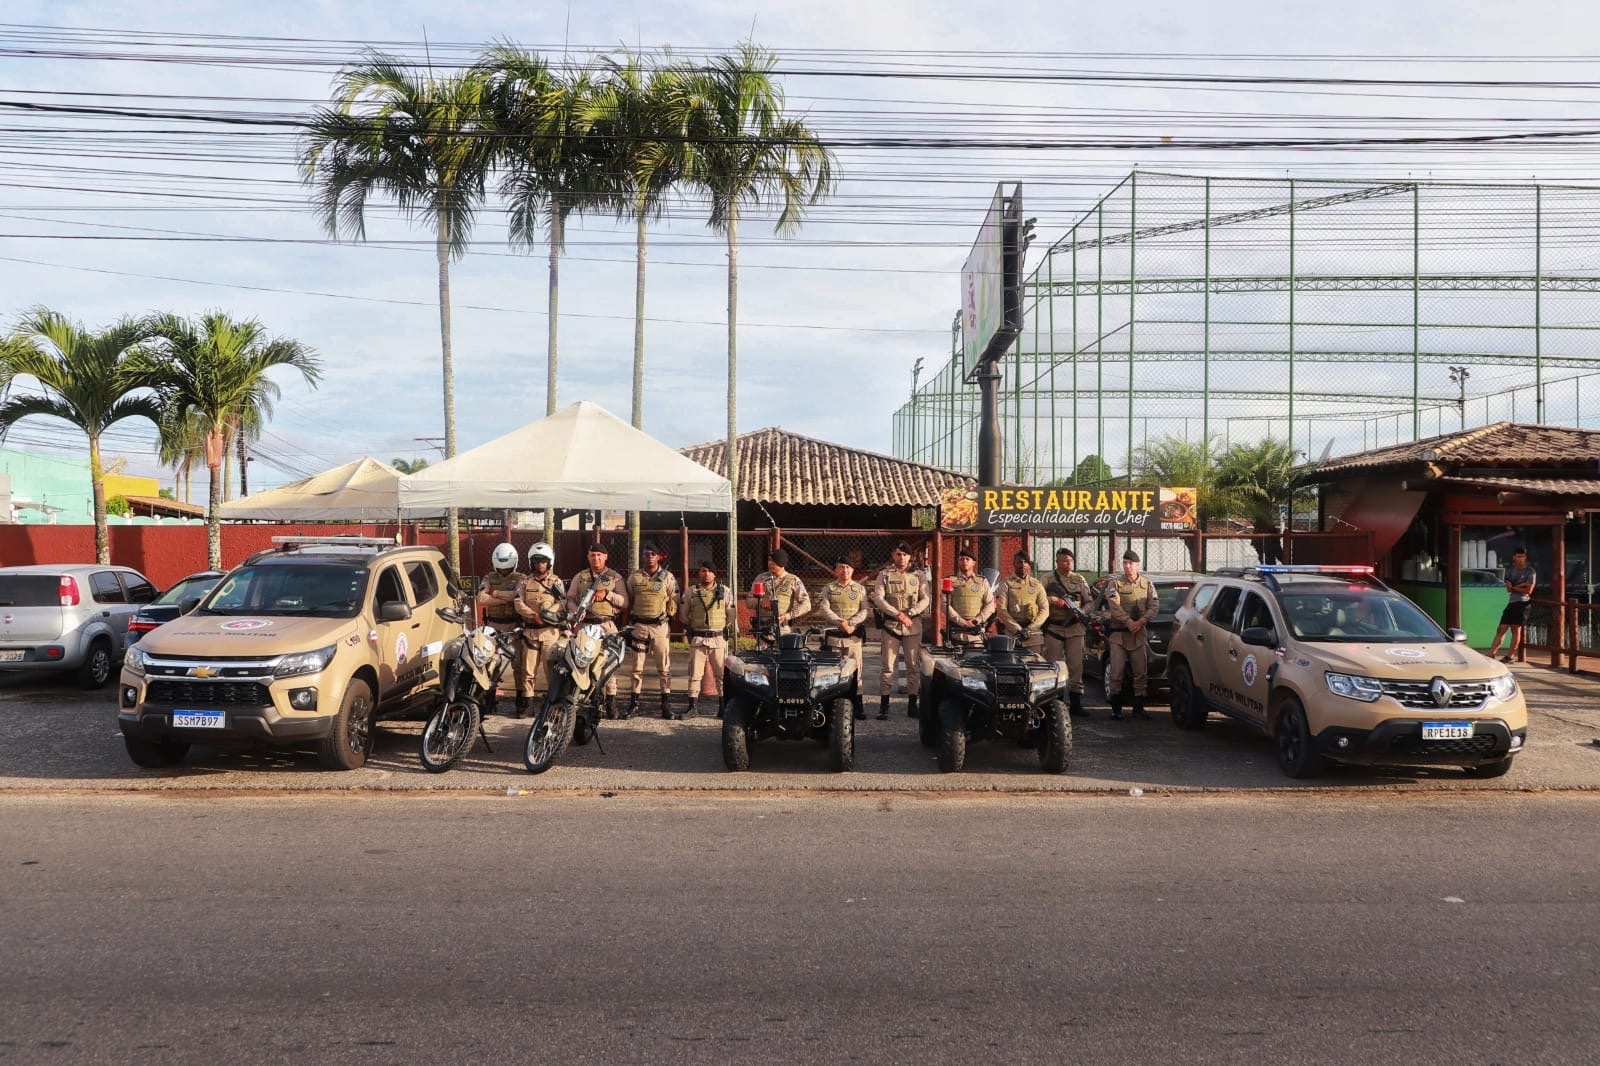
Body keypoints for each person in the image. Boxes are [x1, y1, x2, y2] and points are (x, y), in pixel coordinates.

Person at [566, 542, 629, 717]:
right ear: (588, 557)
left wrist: (607, 594)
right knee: (583, 663)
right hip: (585, 626)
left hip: (606, 625)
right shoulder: (580, 577)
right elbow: (569, 599)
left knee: (609, 665)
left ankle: (611, 703)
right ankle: (589, 701)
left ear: (605, 557)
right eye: (593, 555)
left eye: (599, 555)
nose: (596, 558)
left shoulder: (615, 577)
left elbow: (625, 603)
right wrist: (576, 611)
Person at [872, 541, 931, 720]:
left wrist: (910, 613)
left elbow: (925, 598)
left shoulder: (919, 575)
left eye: (905, 554)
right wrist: (898, 614)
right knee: (887, 667)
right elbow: (879, 599)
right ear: (893, 555)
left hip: (912, 626)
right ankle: (884, 706)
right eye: (898, 554)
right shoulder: (885, 575)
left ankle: (912, 705)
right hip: (891, 626)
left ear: (910, 557)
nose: (902, 557)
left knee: (913, 667)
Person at [625, 543, 681, 719]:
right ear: (643, 556)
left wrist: (670, 612)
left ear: (659, 557)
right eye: (646, 553)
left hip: (659, 628)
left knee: (664, 668)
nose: (649, 556)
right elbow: (629, 600)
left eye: (653, 554)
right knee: (636, 668)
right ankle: (634, 704)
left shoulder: (667, 577)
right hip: (639, 627)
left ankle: (666, 704)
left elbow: (675, 598)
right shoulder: (635, 577)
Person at [1105, 549, 1159, 720]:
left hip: (1138, 634)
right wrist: (1128, 622)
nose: (1127, 566)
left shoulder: (1147, 584)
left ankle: (1139, 707)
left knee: (1140, 671)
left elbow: (1154, 606)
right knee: (1117, 671)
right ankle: (1116, 708)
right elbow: (1114, 605)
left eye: (1130, 563)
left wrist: (1141, 621)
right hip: (1119, 635)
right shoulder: (1115, 584)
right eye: (1125, 563)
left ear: (1137, 565)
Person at [511, 541, 564, 716]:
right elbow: (518, 602)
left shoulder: (555, 582)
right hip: (530, 632)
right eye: (536, 560)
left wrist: (548, 613)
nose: (539, 564)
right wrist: (533, 615)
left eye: (543, 560)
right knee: (528, 671)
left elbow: (562, 602)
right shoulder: (525, 581)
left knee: (551, 670)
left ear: (549, 562)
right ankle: (528, 705)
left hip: (550, 632)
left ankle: (552, 706)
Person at [476, 542, 529, 714]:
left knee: (518, 664)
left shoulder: (521, 578)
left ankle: (520, 699)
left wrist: (496, 593)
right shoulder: (489, 577)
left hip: (514, 624)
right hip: (493, 624)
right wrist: (507, 598)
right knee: (490, 660)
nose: (503, 571)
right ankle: (489, 696)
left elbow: (518, 596)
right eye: (501, 568)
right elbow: (481, 599)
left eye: (506, 568)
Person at [1042, 546, 1095, 718]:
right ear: (1057, 561)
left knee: (1076, 667)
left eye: (1071, 560)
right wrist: (1053, 600)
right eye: (1065, 560)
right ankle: (1054, 703)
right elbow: (1039, 598)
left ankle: (1076, 704)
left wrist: (1081, 612)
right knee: (1053, 666)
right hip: (1054, 628)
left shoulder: (1079, 579)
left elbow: (1090, 602)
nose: (1068, 563)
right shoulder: (1047, 579)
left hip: (1075, 628)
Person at [817, 557, 871, 720]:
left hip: (853, 638)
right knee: (832, 672)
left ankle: (858, 705)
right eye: (841, 567)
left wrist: (852, 623)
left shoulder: (860, 589)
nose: (844, 570)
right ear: (835, 570)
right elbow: (824, 609)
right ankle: (831, 704)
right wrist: (840, 622)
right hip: (834, 638)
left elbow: (865, 610)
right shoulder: (828, 588)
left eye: (848, 567)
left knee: (856, 671)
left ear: (853, 571)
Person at [679, 560, 733, 719]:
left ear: (715, 574)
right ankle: (692, 708)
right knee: (694, 675)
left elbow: (731, 613)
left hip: (717, 639)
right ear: (699, 573)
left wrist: (726, 626)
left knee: (722, 676)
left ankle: (723, 708)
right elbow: (683, 612)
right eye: (703, 571)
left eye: (710, 571)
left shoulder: (725, 591)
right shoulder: (691, 592)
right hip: (699, 639)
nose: (706, 574)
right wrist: (689, 627)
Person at [1487, 547, 1537, 664]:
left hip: (1523, 603)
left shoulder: (1531, 571)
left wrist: (1517, 587)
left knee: (1515, 629)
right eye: (1518, 556)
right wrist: (1521, 586)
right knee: (1501, 628)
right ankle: (1491, 653)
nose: (1521, 559)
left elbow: (1529, 590)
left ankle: (1510, 656)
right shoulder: (1510, 571)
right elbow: (1508, 588)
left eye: (1523, 556)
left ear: (1525, 557)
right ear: (1514, 557)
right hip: (1511, 602)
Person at [747, 548, 811, 638]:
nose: (770, 563)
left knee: (783, 651)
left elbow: (807, 605)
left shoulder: (792, 580)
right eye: (769, 560)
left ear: (781, 563)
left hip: (783, 630)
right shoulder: (761, 578)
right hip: (763, 630)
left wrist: (787, 616)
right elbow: (748, 602)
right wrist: (760, 601)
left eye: (773, 561)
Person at [996, 550, 1048, 655]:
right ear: (1014, 564)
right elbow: (1001, 609)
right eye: (1019, 562)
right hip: (1012, 634)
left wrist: (1030, 629)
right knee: (1011, 667)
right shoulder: (1006, 583)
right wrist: (1018, 629)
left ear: (1029, 565)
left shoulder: (1037, 585)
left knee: (1034, 667)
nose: (1023, 565)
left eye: (1025, 562)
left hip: (1033, 635)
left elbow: (1045, 610)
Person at [944, 547, 995, 650]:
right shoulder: (950, 580)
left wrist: (976, 620)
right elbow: (944, 604)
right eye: (961, 559)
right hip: (956, 632)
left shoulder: (982, 581)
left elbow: (990, 604)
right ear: (958, 562)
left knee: (977, 661)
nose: (964, 562)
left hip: (976, 634)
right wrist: (961, 621)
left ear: (973, 563)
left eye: (967, 559)